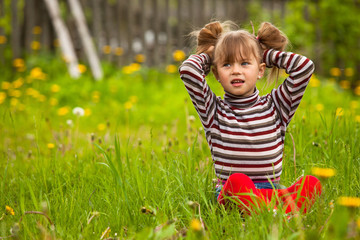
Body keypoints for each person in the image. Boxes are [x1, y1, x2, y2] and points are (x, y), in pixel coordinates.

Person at [179, 21, 322, 215]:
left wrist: (266, 54)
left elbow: (304, 67)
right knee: (238, 180)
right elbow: (188, 70)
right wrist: (211, 55)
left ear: (261, 70)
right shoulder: (213, 110)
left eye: (245, 63)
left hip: (272, 190)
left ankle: (269, 211)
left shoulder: (276, 106)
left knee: (310, 183)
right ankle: (275, 214)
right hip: (234, 193)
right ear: (216, 73)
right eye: (227, 64)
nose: (236, 70)